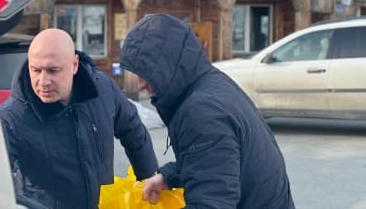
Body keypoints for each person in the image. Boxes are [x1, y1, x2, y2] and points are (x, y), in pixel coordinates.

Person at [120, 14, 295, 209]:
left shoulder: (202, 113)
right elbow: (216, 161)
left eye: (148, 71)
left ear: (171, 64)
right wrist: (169, 176)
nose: (141, 84)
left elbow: (210, 203)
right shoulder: (209, 84)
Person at [0, 28, 158, 209]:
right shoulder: (11, 118)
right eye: (35, 70)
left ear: (74, 65)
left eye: (53, 70)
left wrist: (150, 183)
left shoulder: (103, 90)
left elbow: (134, 131)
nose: (43, 81)